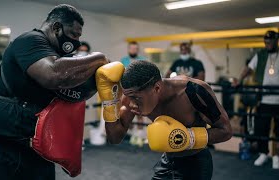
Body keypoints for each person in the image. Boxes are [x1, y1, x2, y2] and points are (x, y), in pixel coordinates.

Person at [0, 4, 107, 180]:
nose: (76, 41)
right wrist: (99, 58)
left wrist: (97, 79)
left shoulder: (57, 55)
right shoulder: (30, 40)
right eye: (73, 34)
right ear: (56, 28)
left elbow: (77, 92)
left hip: (35, 142)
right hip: (4, 137)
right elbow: (53, 75)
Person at [96, 60, 232, 179]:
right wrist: (109, 102)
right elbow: (114, 138)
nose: (131, 104)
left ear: (157, 88)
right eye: (129, 97)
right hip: (167, 161)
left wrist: (188, 137)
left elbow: (225, 130)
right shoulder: (131, 95)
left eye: (136, 98)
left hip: (196, 163)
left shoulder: (193, 91)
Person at [233, 30, 279, 169]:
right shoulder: (260, 55)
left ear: (276, 41)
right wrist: (239, 80)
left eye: (270, 41)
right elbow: (248, 69)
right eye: (266, 41)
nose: (268, 44)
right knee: (261, 128)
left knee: (278, 130)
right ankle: (263, 153)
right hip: (263, 99)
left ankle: (276, 156)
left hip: (278, 99)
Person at [121, 41, 147, 147]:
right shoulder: (123, 60)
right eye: (131, 48)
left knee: (139, 113)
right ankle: (132, 135)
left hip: (139, 91)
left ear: (138, 49)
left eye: (135, 48)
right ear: (128, 49)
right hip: (126, 92)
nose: (133, 50)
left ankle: (140, 136)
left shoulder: (143, 60)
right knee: (128, 112)